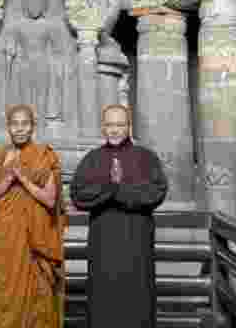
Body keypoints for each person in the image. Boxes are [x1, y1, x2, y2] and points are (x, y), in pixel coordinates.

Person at [70, 104, 169, 328]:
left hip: (137, 245)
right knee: (104, 300)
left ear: (129, 126)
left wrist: (118, 191)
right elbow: (78, 194)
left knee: (138, 300)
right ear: (103, 127)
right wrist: (109, 188)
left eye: (120, 125)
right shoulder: (92, 159)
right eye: (110, 125)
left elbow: (156, 192)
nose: (114, 130)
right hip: (104, 245)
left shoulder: (146, 157)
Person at [0, 104, 67, 328]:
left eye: (25, 124)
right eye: (14, 124)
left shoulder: (44, 155)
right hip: (4, 235)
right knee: (3, 292)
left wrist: (24, 180)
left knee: (37, 294)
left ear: (32, 127)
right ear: (8, 127)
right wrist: (9, 179)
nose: (20, 129)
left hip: (34, 239)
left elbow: (49, 199)